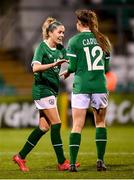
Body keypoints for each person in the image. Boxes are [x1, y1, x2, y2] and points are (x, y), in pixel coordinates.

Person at [12, 17, 79, 172]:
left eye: (63, 32)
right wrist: (53, 65)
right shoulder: (42, 47)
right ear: (50, 33)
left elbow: (71, 62)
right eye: (59, 32)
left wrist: (69, 70)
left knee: (43, 127)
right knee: (57, 124)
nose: (62, 35)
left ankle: (20, 157)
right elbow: (35, 68)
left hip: (52, 91)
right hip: (42, 90)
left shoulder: (61, 49)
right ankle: (62, 162)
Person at [61, 9, 112, 172]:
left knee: (77, 125)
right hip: (99, 85)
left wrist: (68, 71)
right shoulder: (103, 39)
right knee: (100, 123)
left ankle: (73, 164)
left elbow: (74, 67)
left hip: (81, 86)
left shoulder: (74, 41)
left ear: (80, 23)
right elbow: (106, 68)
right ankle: (100, 161)